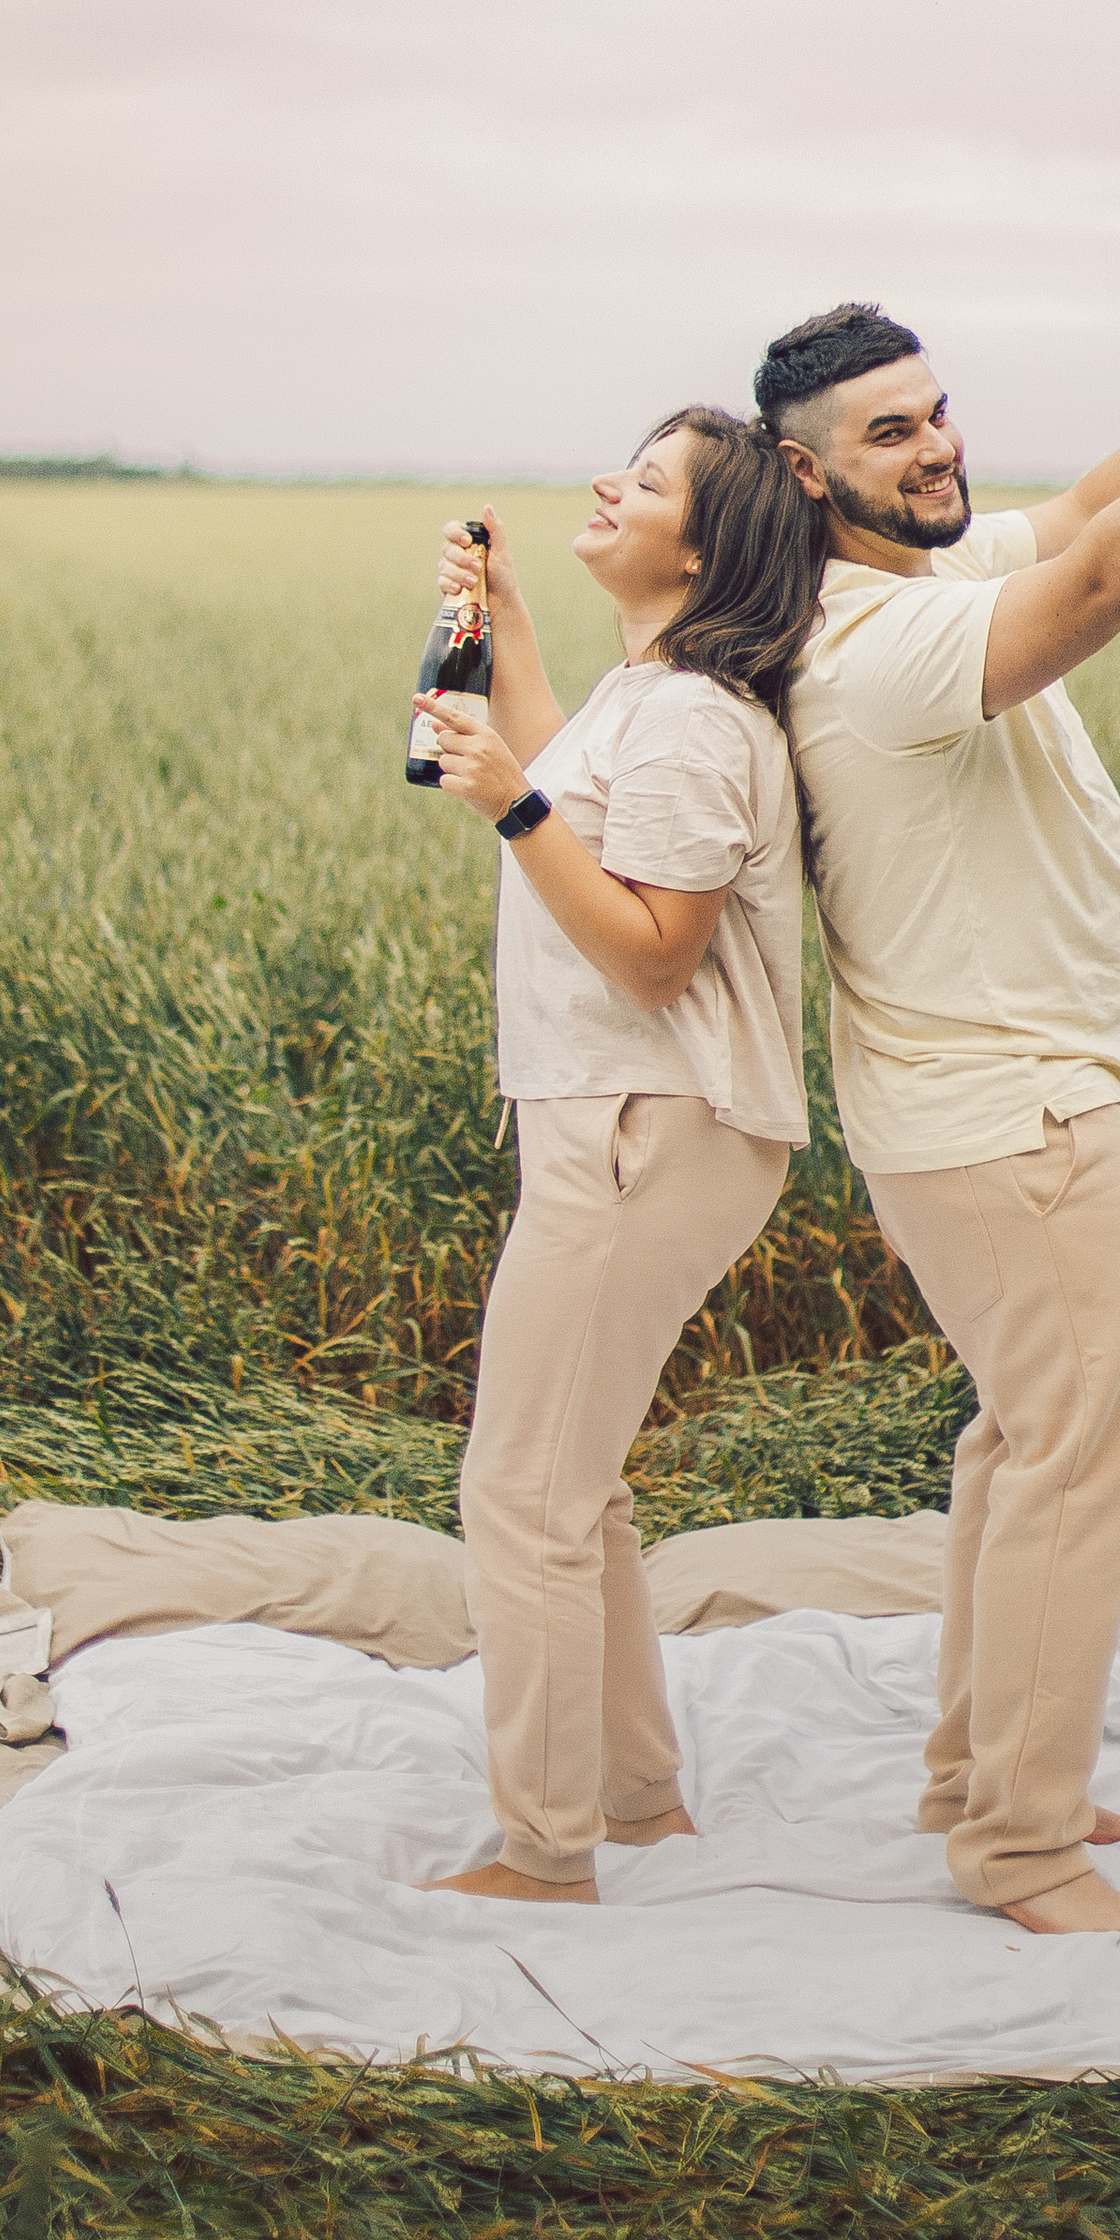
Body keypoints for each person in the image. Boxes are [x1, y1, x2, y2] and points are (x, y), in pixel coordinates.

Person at [756, 271, 1120, 1942]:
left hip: (1012, 1110)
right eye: (891, 433)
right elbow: (1112, 566)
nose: (936, 449)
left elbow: (1085, 502)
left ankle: (982, 1781)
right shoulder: (879, 641)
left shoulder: (917, 573)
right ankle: (1019, 1848)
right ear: (809, 474)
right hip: (1013, 1124)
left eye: (936, 410)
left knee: (1029, 1450)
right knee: (1090, 1460)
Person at [409, 408, 827, 1905]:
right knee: (573, 1486)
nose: (608, 485)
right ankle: (638, 1800)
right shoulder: (650, 691)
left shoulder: (704, 723)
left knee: (520, 1491)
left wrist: (507, 806)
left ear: (704, 551)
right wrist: (509, 620)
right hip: (626, 1128)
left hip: (650, 1133)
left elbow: (655, 954)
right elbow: (565, 759)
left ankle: (545, 1853)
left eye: (646, 484)